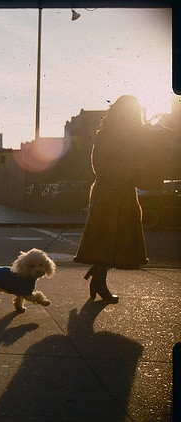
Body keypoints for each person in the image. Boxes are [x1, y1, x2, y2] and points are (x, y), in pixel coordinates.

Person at [73, 95, 152, 303]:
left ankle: (98, 277)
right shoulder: (106, 134)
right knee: (106, 240)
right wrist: (133, 166)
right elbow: (98, 165)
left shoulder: (136, 136)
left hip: (124, 193)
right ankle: (99, 280)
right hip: (108, 192)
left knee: (117, 241)